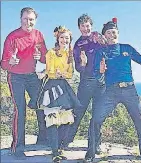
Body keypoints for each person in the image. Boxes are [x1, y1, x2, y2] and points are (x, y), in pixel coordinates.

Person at [88, 18, 141, 163]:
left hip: (129, 90)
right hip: (110, 92)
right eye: (108, 32)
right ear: (104, 36)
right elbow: (96, 72)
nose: (112, 35)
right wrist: (100, 71)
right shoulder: (101, 52)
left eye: (114, 32)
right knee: (95, 119)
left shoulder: (126, 48)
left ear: (118, 33)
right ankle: (90, 153)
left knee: (140, 121)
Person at [0, 7, 47, 159]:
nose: (28, 22)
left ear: (35, 20)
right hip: (15, 77)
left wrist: (40, 56)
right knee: (20, 110)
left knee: (42, 103)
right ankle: (18, 147)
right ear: (21, 19)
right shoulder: (12, 37)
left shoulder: (38, 35)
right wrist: (10, 62)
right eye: (26, 19)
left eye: (31, 19)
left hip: (32, 76)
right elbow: (4, 64)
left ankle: (43, 138)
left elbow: (45, 59)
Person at [62, 14, 106, 157]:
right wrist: (83, 63)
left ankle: (95, 144)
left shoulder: (98, 38)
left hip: (101, 81)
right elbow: (78, 68)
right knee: (78, 111)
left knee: (97, 114)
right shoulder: (78, 44)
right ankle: (67, 139)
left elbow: (109, 51)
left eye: (87, 25)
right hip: (86, 82)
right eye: (82, 26)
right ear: (79, 28)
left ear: (91, 26)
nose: (85, 28)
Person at [38, 25, 81, 163]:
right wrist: (55, 73)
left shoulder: (70, 55)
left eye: (67, 38)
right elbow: (48, 71)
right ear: (58, 38)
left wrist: (64, 74)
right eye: (62, 37)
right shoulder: (51, 53)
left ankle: (60, 147)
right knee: (52, 120)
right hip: (51, 86)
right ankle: (54, 151)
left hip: (64, 86)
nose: (64, 40)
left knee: (67, 119)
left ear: (70, 40)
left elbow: (70, 73)